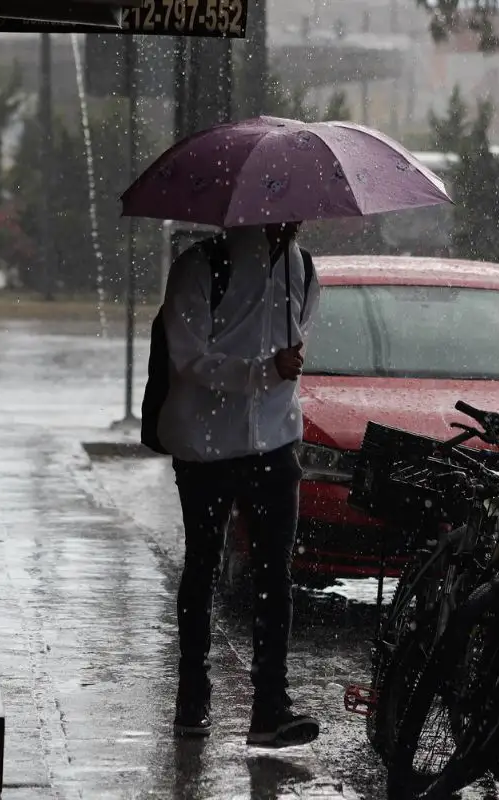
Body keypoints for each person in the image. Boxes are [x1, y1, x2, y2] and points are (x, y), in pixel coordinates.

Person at [158, 221, 321, 748]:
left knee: (276, 574)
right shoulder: (201, 266)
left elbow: (297, 345)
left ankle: (270, 707)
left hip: (275, 442)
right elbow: (187, 358)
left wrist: (282, 368)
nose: (294, 218)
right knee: (203, 565)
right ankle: (192, 692)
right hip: (207, 447)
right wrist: (260, 369)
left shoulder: (305, 268)